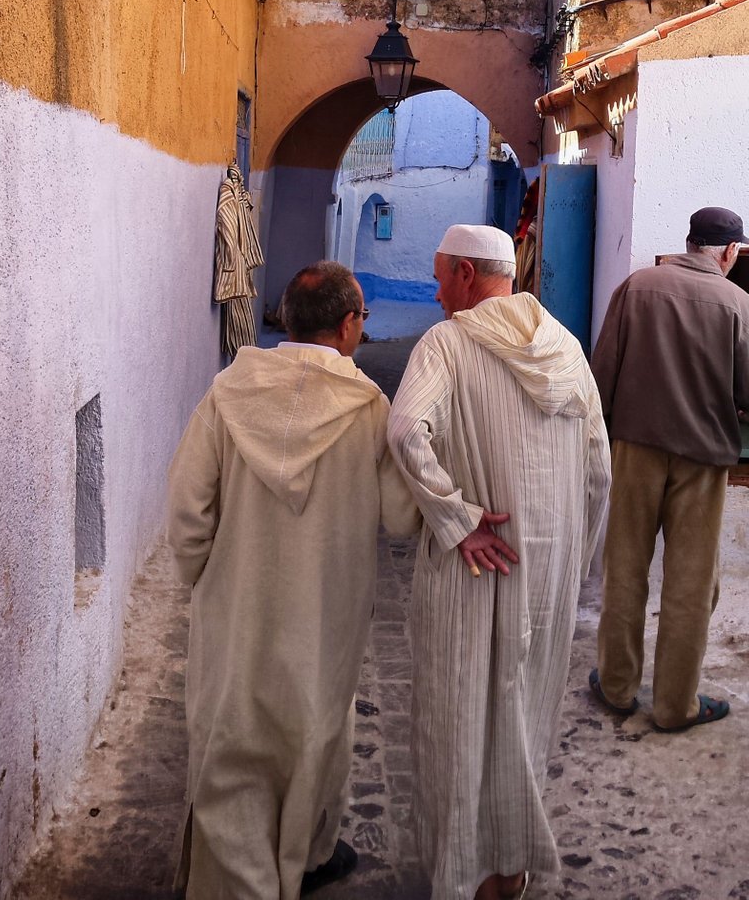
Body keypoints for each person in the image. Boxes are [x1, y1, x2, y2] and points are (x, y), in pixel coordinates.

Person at [167, 261, 418, 900]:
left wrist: (206, 580)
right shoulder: (367, 408)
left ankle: (237, 883)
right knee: (315, 734)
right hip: (326, 615)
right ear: (347, 325)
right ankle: (306, 855)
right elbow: (399, 515)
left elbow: (189, 509)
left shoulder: (228, 394)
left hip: (237, 608)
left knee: (234, 741)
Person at [387, 225, 611, 900]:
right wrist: (577, 558)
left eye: (437, 277)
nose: (434, 291)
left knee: (462, 718)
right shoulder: (569, 350)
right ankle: (506, 876)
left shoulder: (448, 344)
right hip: (544, 574)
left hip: (473, 568)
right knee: (523, 721)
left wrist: (455, 518)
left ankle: (461, 878)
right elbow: (599, 470)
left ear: (462, 272)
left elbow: (403, 431)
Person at [589, 205, 749, 732]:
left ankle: (616, 686)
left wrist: (605, 438)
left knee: (626, 567)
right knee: (690, 582)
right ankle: (676, 704)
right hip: (703, 461)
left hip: (635, 449)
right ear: (729, 252)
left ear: (688, 241)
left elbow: (603, 369)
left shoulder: (637, 287)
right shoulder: (738, 304)